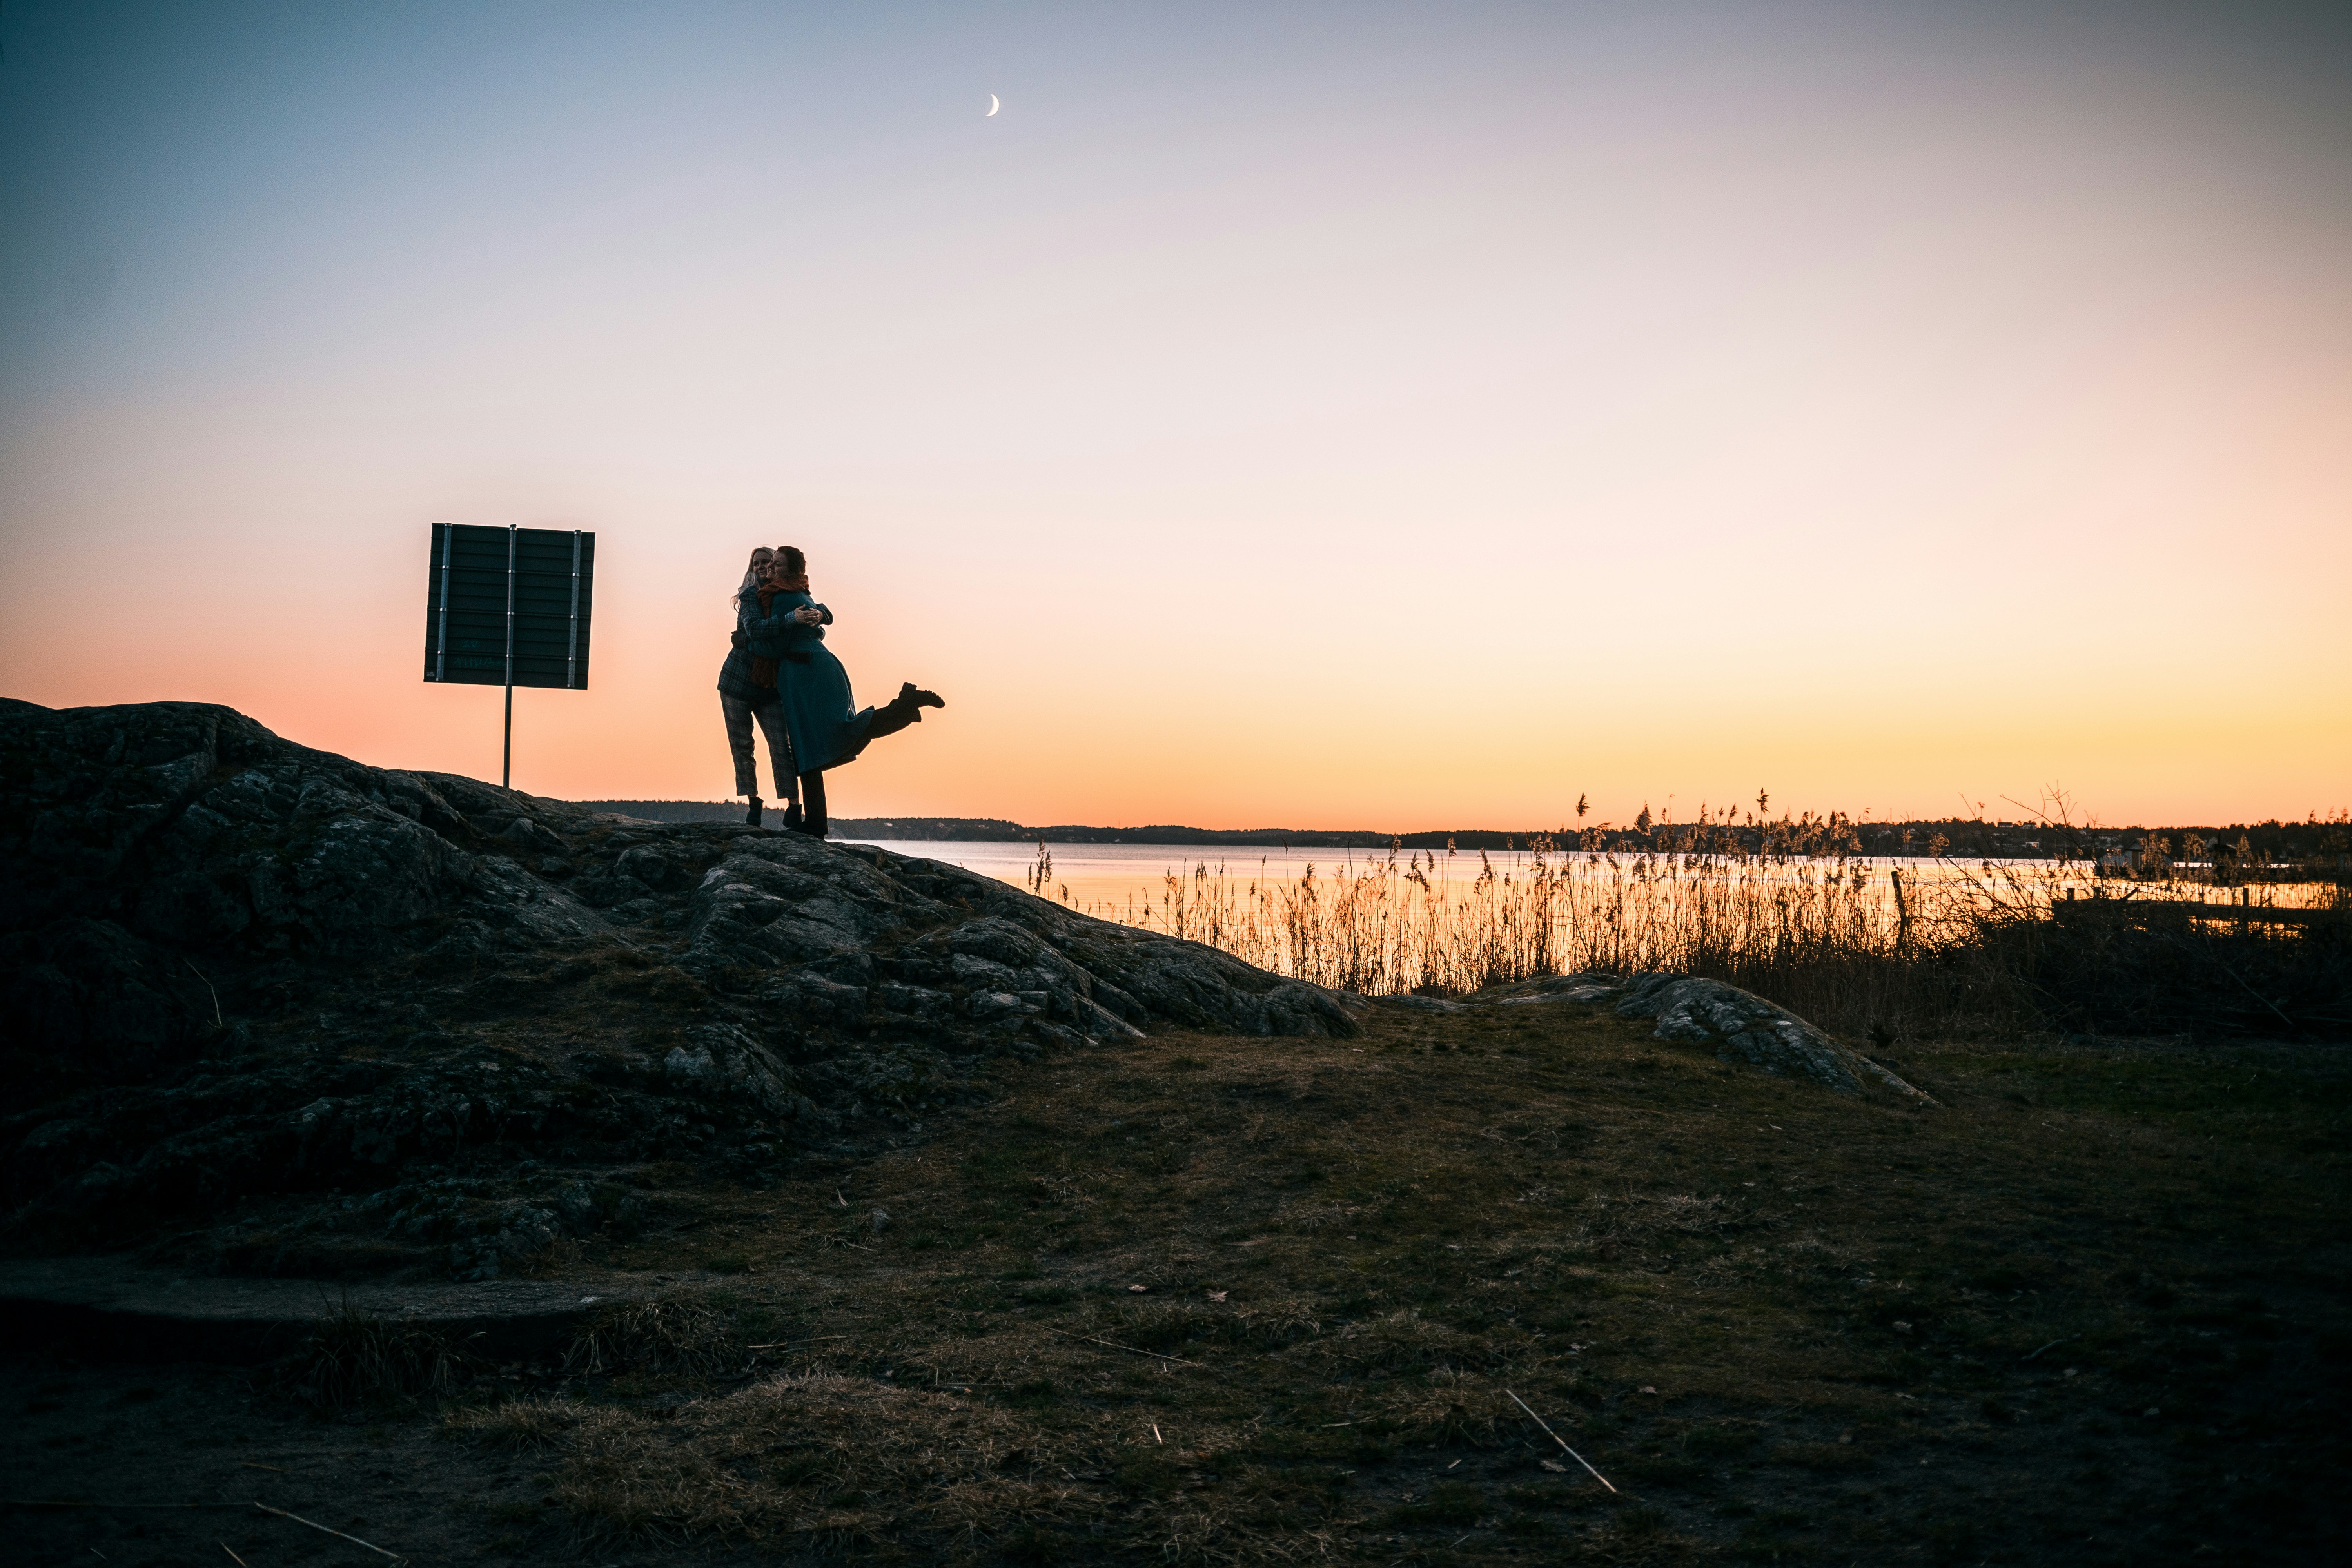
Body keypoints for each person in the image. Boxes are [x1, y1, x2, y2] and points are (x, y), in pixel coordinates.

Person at [739, 545, 943, 838]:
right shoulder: (799, 593)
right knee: (818, 745)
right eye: (770, 563)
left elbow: (775, 646)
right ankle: (816, 823)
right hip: (813, 671)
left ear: (794, 570)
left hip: (806, 675)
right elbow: (819, 623)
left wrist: (746, 642)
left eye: (778, 564)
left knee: (828, 739)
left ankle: (905, 705)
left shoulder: (784, 597)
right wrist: (820, 618)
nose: (771, 568)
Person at [715, 547, 799, 826]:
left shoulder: (786, 594)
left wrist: (818, 616)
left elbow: (751, 635)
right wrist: (788, 622)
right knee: (742, 747)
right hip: (736, 682)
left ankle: (794, 806)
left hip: (769, 684)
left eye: (769, 562)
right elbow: (755, 629)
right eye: (758, 563)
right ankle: (753, 803)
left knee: (781, 746)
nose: (763, 567)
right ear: (752, 568)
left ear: (777, 566)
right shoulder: (750, 595)